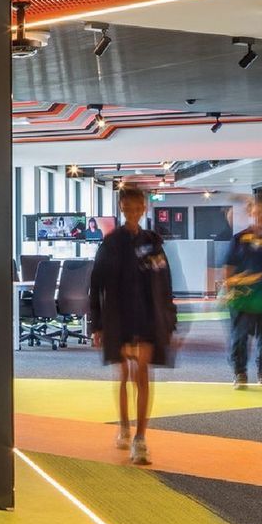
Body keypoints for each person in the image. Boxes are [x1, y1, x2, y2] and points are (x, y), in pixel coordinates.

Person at [87, 186, 177, 466]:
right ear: (122, 208)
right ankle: (124, 425)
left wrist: (170, 320)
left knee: (144, 376)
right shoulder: (110, 244)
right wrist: (97, 325)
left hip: (148, 317)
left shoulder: (154, 242)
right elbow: (96, 286)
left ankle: (141, 439)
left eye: (138, 207)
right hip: (119, 316)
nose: (133, 212)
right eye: (128, 208)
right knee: (124, 373)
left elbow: (166, 283)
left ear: (144, 209)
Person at [223, 195, 262, 388]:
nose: (259, 217)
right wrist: (228, 287)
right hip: (240, 299)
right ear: (250, 214)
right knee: (239, 337)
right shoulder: (238, 239)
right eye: (256, 213)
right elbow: (229, 267)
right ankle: (240, 373)